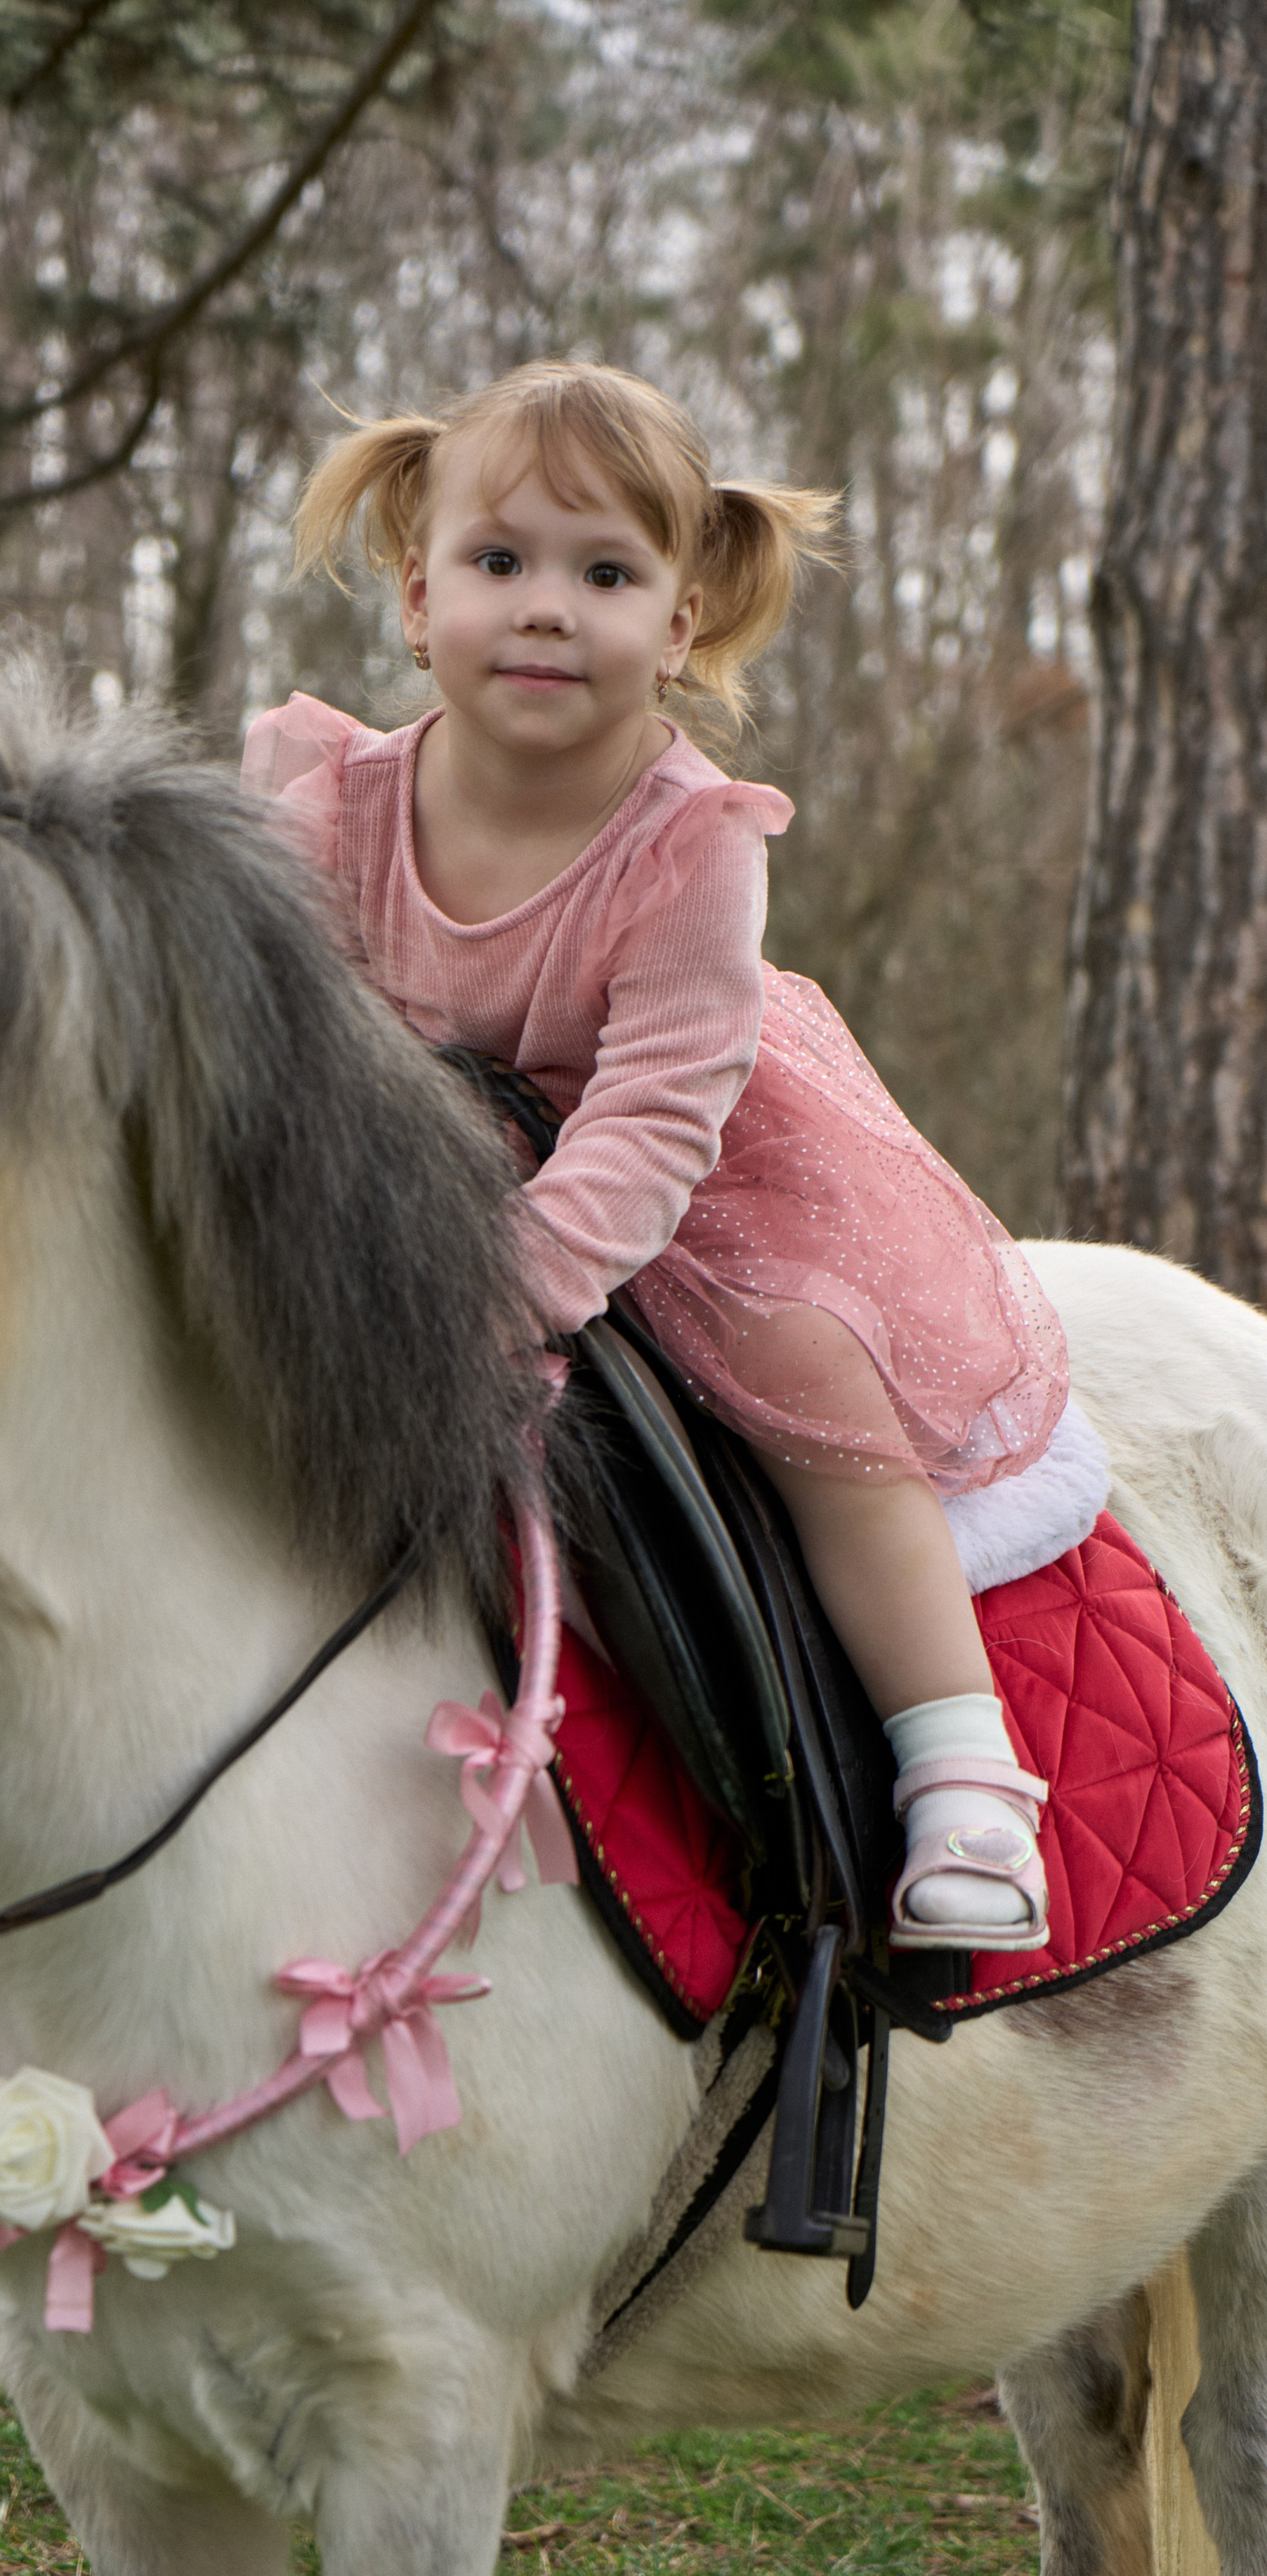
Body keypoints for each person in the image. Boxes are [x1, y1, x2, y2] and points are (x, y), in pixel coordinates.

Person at [243, 360, 1065, 1951]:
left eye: (604, 574)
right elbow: (276, 1043)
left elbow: (657, 1108)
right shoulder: (326, 801)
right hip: (409, 1163)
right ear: (418, 601)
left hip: (689, 1180)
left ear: (677, 626)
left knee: (811, 1376)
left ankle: (955, 1756)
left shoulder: (692, 843)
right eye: (500, 563)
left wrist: (513, 1285)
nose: (546, 608)